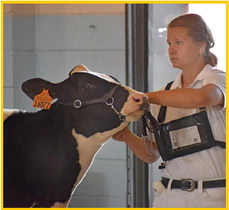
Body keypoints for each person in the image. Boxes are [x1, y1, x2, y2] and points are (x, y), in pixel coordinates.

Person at [113, 13, 225, 208]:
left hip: (214, 196)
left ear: (201, 45)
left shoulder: (218, 80)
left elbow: (203, 98)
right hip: (169, 196)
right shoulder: (164, 94)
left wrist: (147, 97)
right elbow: (152, 154)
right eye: (169, 43)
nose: (171, 50)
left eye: (178, 43)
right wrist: (127, 137)